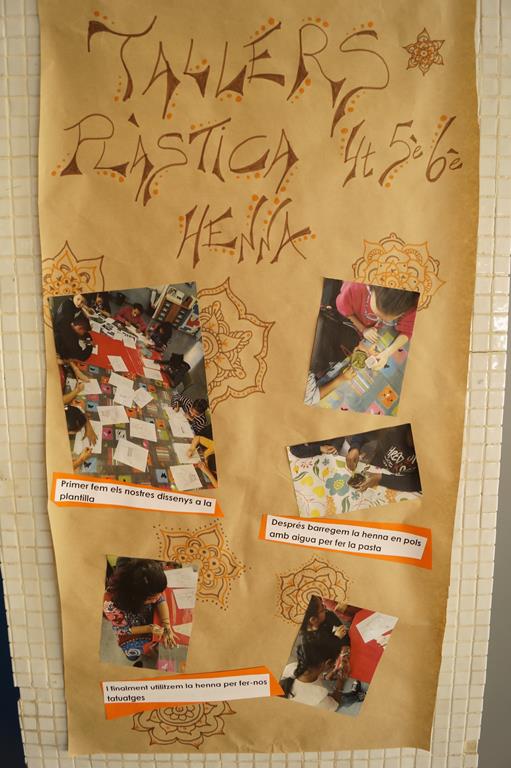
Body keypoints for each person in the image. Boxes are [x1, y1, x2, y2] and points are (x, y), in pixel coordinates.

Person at [103, 559, 178, 667]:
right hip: (130, 632)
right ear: (134, 596)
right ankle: (135, 656)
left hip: (145, 620)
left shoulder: (148, 588)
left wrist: (167, 626)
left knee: (158, 642)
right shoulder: (110, 605)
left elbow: (160, 599)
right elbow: (121, 630)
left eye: (158, 594)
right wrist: (149, 628)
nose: (156, 599)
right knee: (133, 654)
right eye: (151, 598)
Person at [335, 282, 419, 371]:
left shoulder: (411, 304)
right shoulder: (354, 287)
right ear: (371, 288)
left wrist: (386, 353)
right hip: (350, 326)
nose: (379, 321)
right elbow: (344, 311)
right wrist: (363, 329)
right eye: (376, 314)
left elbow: (407, 331)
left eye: (386, 320)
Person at [345, 424, 421, 493]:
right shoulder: (394, 427)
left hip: (402, 483)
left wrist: (382, 479)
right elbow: (364, 433)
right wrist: (355, 447)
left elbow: (418, 482)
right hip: (376, 468)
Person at [279, 631, 343, 710]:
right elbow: (335, 702)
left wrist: (325, 676)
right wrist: (341, 680)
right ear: (328, 663)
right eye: (337, 659)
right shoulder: (320, 701)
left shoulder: (290, 667)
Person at [64, 404, 98, 469]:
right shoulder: (53, 443)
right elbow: (62, 469)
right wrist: (81, 459)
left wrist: (88, 427)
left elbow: (78, 408)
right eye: (78, 430)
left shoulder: (63, 408)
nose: (80, 431)